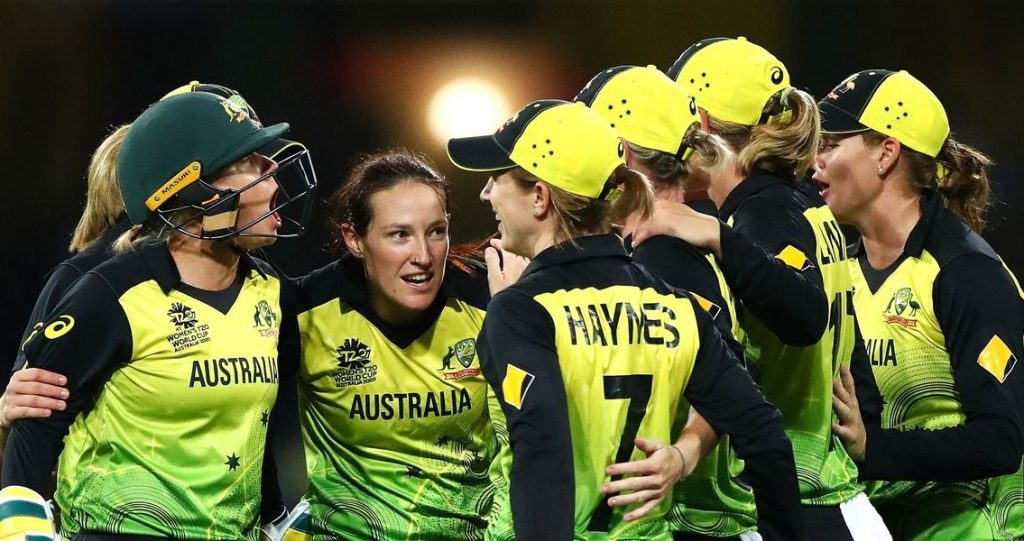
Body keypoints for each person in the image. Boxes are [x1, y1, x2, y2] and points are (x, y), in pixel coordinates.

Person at [448, 98, 803, 540]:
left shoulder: (523, 310)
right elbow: (763, 432)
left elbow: (543, 458)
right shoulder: (675, 305)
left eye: (496, 179)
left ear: (539, 197)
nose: (485, 194)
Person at [1, 90, 317, 541]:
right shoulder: (106, 292)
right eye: (251, 163)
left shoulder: (271, 291)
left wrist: (274, 517)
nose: (274, 178)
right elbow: (35, 423)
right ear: (198, 193)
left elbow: (252, 425)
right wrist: (21, 526)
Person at [627, 37, 889, 540]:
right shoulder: (798, 201)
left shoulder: (761, 213)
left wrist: (717, 235)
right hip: (834, 499)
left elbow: (805, 315)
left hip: (808, 505)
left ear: (701, 125)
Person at [817, 69, 1024, 541]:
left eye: (831, 143)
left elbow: (1001, 439)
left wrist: (873, 447)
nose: (815, 159)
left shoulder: (967, 273)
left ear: (885, 153)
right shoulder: (838, 271)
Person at [280, 148, 519, 540]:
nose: (423, 255)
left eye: (436, 231)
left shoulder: (492, 299)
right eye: (399, 235)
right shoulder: (304, 311)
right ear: (354, 239)